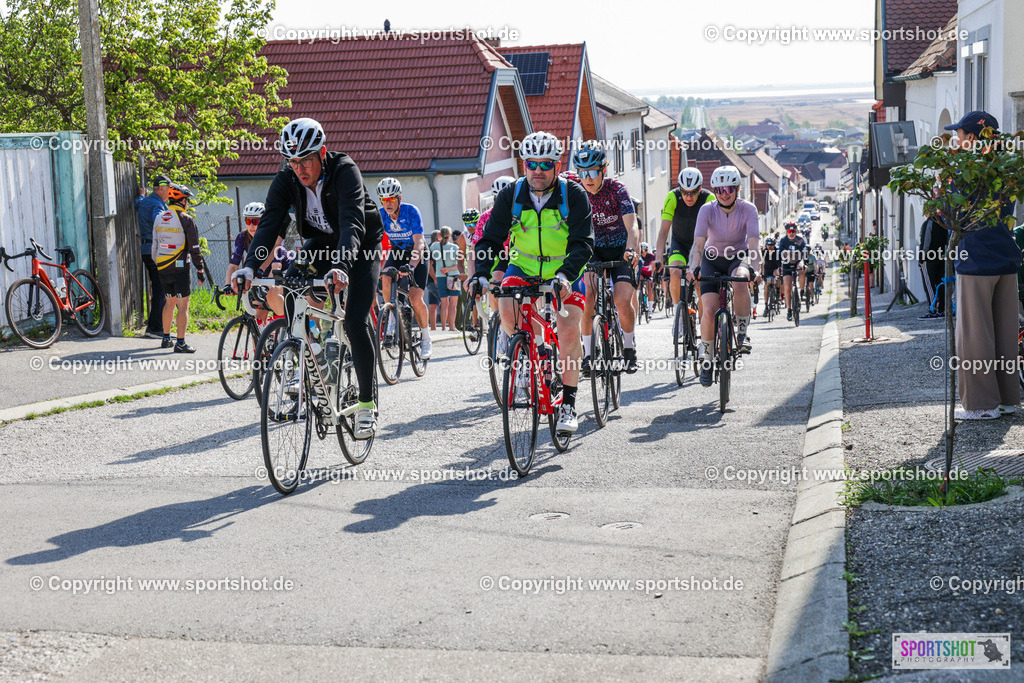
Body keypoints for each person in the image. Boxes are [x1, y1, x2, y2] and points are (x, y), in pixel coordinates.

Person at [233, 117, 384, 438]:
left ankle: (367, 404)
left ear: (322, 153)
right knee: (291, 286)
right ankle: (311, 354)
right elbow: (270, 223)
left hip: (359, 246)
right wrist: (249, 266)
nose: (299, 168)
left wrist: (342, 266)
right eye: (292, 161)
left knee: (356, 320)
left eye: (305, 160)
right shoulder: (286, 178)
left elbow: (353, 222)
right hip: (321, 244)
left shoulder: (345, 171)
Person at [473, 132, 594, 433]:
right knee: (506, 310)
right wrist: (480, 272)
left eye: (544, 163)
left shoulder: (573, 194)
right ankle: (533, 350)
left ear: (556, 164)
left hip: (565, 271)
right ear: (523, 164)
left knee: (567, 332)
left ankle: (568, 403)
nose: (537, 170)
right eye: (531, 163)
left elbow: (583, 242)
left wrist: (566, 274)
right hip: (523, 265)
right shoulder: (511, 195)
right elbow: (489, 239)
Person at [944, 111, 1022, 419]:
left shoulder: (964, 172)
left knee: (975, 336)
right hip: (1006, 257)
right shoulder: (1006, 169)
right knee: (1005, 333)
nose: (956, 140)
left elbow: (950, 215)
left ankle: (980, 405)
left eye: (960, 135)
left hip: (976, 260)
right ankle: (1007, 400)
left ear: (973, 138)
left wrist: (946, 183)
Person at [572, 141, 641, 374]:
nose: (587, 178)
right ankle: (590, 354)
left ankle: (629, 349)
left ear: (603, 170)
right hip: (593, 250)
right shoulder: (575, 189)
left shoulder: (617, 189)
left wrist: (631, 249)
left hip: (621, 249)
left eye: (593, 172)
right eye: (583, 173)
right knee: (589, 294)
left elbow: (632, 225)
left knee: (622, 300)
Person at [687, 165, 760, 387]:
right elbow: (699, 242)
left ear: (737, 189)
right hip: (711, 258)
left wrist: (755, 268)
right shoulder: (707, 210)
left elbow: (754, 243)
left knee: (740, 280)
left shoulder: (748, 209)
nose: (724, 193)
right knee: (708, 309)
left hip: (738, 257)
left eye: (729, 188)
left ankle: (742, 332)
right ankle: (707, 361)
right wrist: (693, 267)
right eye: (719, 189)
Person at [376, 177, 432, 358]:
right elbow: (374, 243)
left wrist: (413, 265)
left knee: (415, 299)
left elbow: (419, 241)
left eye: (391, 198)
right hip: (398, 253)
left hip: (418, 253)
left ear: (399, 197)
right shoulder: (381, 215)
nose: (388, 203)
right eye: (384, 200)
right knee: (385, 277)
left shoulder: (411, 211)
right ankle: (392, 316)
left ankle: (425, 338)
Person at [152, 184, 207, 353]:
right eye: (187, 200)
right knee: (183, 306)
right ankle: (181, 343)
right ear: (182, 200)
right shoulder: (186, 219)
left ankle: (166, 339)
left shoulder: (160, 217)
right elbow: (194, 248)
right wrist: (200, 270)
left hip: (162, 267)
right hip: (180, 268)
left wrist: (160, 263)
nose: (188, 203)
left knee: (169, 302)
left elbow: (154, 246)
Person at [656, 167, 716, 311]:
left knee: (700, 279)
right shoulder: (672, 197)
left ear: (700, 188)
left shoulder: (709, 199)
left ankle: (704, 323)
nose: (689, 197)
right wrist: (658, 257)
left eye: (693, 193)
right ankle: (679, 314)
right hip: (680, 243)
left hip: (701, 245)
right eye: (684, 192)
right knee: (675, 272)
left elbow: (713, 232)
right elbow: (663, 231)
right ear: (680, 189)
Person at [225, 201, 289, 320]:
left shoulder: (274, 236)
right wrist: (228, 285)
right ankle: (264, 336)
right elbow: (233, 266)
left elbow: (276, 267)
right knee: (257, 319)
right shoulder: (242, 237)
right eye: (248, 221)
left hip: (281, 272)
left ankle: (285, 321)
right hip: (260, 275)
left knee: (272, 292)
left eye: (255, 222)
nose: (251, 226)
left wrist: (266, 286)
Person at [135, 174, 171, 338]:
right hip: (155, 251)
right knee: (160, 289)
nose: (170, 193)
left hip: (145, 249)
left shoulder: (145, 201)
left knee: (157, 287)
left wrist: (141, 195)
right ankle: (155, 328)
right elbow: (158, 221)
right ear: (162, 188)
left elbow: (138, 203)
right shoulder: (157, 205)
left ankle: (155, 326)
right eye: (169, 189)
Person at [918, 212, 949, 319]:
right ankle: (941, 309)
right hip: (941, 257)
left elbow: (925, 242)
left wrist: (921, 258)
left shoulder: (928, 223)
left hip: (929, 258)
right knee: (940, 283)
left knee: (929, 285)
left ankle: (932, 309)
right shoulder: (944, 223)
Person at [431, 226, 461, 331]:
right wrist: (449, 268)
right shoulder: (455, 247)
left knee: (444, 303)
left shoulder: (434, 246)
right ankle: (452, 327)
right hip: (454, 276)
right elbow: (459, 264)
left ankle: (443, 327)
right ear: (450, 235)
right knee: (453, 304)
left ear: (440, 235)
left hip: (440, 276)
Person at [778, 223, 809, 320]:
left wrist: (806, 264)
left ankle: (802, 291)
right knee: (787, 286)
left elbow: (805, 253)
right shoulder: (783, 241)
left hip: (798, 261)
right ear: (786, 232)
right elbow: (779, 255)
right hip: (787, 263)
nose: (791, 233)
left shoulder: (800, 240)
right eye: (789, 231)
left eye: (793, 231)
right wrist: (779, 267)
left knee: (802, 269)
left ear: (796, 231)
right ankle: (789, 310)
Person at [761, 237, 782, 316]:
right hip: (767, 270)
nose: (770, 246)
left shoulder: (778, 252)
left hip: (775, 269)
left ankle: (778, 292)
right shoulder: (763, 252)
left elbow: (780, 262)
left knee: (778, 278)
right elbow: (761, 262)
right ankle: (766, 306)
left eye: (772, 245)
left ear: (774, 245)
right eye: (768, 245)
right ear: (766, 245)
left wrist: (779, 269)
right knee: (766, 286)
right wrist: (761, 272)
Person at [425, 229, 441, 330]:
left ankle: (433, 327)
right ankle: (447, 327)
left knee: (433, 304)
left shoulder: (428, 247)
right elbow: (430, 265)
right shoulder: (433, 248)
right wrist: (435, 278)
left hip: (429, 280)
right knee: (444, 302)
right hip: (434, 279)